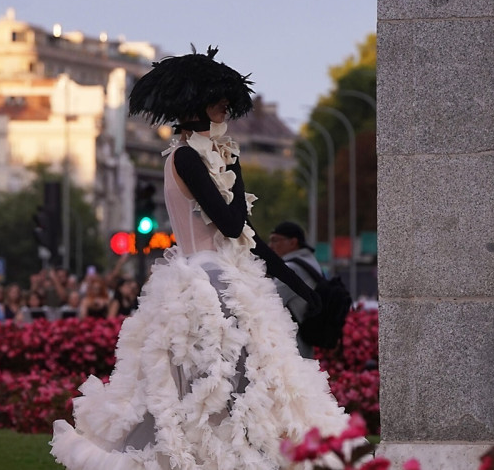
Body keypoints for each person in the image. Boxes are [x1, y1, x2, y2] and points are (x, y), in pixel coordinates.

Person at [51, 47, 347, 470]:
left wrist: (303, 286)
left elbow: (248, 238)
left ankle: (238, 455)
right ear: (196, 103)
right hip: (206, 285)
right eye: (218, 100)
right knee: (207, 386)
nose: (225, 107)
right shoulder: (187, 157)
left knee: (244, 381)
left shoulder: (209, 155)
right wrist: (236, 167)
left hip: (227, 278)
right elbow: (230, 224)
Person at [268, 221, 321, 358]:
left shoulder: (292, 269)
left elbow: (269, 300)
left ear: (293, 242)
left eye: (275, 240)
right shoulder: (310, 262)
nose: (271, 246)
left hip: (294, 345)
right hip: (306, 337)